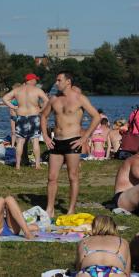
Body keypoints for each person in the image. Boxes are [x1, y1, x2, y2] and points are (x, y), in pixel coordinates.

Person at [41, 71, 101, 217]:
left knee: (73, 176)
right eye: (56, 80)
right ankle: (50, 209)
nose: (56, 83)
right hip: (56, 141)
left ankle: (71, 209)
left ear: (68, 82)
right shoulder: (54, 99)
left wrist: (85, 137)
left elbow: (96, 117)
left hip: (73, 141)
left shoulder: (79, 98)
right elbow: (43, 116)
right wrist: (46, 137)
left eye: (59, 80)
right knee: (52, 177)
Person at [3, 73, 49, 169]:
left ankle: (18, 165)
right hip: (34, 116)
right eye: (35, 80)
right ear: (31, 80)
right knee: (35, 141)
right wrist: (41, 110)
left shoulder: (17, 90)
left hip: (21, 116)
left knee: (20, 141)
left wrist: (13, 107)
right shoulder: (37, 90)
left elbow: (5, 98)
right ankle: (37, 165)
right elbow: (46, 100)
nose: (36, 82)